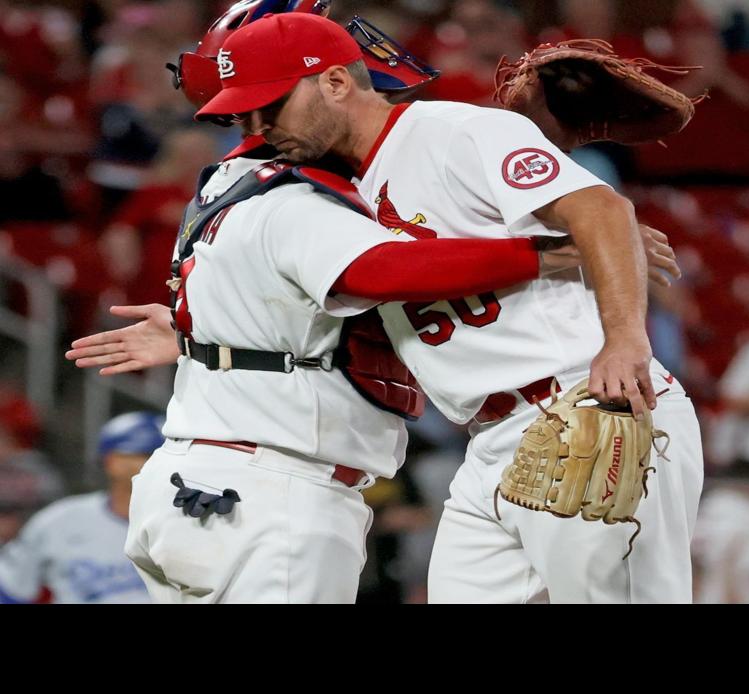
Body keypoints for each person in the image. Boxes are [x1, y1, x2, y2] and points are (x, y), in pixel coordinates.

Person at [66, 1, 593, 604]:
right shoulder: (292, 197)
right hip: (269, 496)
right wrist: (545, 253)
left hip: (201, 487)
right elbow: (381, 269)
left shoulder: (227, 185)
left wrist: (194, 338)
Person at [194, 11, 705, 603]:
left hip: (589, 405)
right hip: (490, 442)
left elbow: (606, 212)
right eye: (245, 112)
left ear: (335, 83)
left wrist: (625, 341)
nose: (256, 127)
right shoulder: (338, 190)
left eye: (272, 106)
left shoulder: (450, 132)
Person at [0, 412, 164, 604]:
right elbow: (10, 590)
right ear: (111, 461)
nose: (159, 463)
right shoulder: (59, 521)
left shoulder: (193, 522)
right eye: (146, 454)